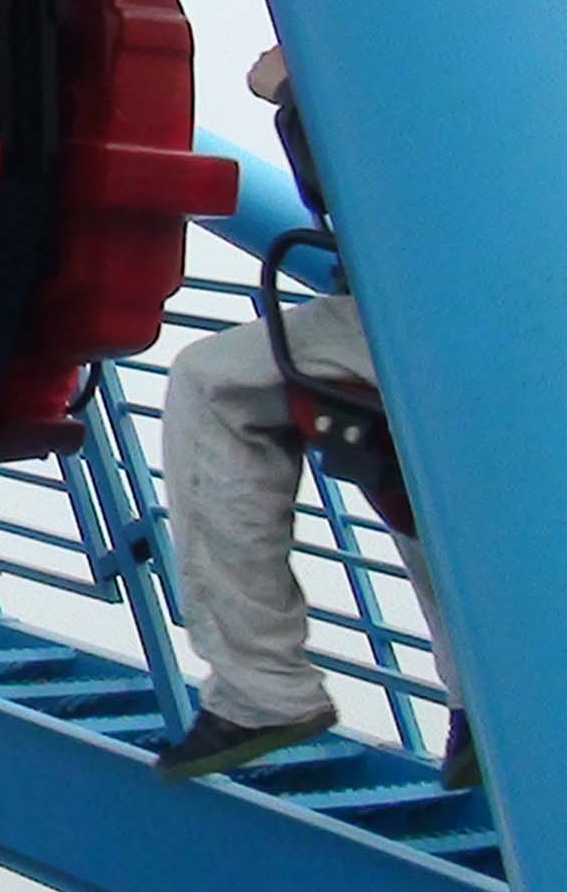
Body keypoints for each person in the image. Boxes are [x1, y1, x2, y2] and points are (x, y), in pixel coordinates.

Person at [154, 44, 474, 786]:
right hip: (539, 298)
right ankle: (479, 701)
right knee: (416, 444)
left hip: (450, 298)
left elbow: (293, 103)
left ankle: (260, 688)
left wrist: (300, 82)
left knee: (218, 385)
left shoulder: (399, 22)